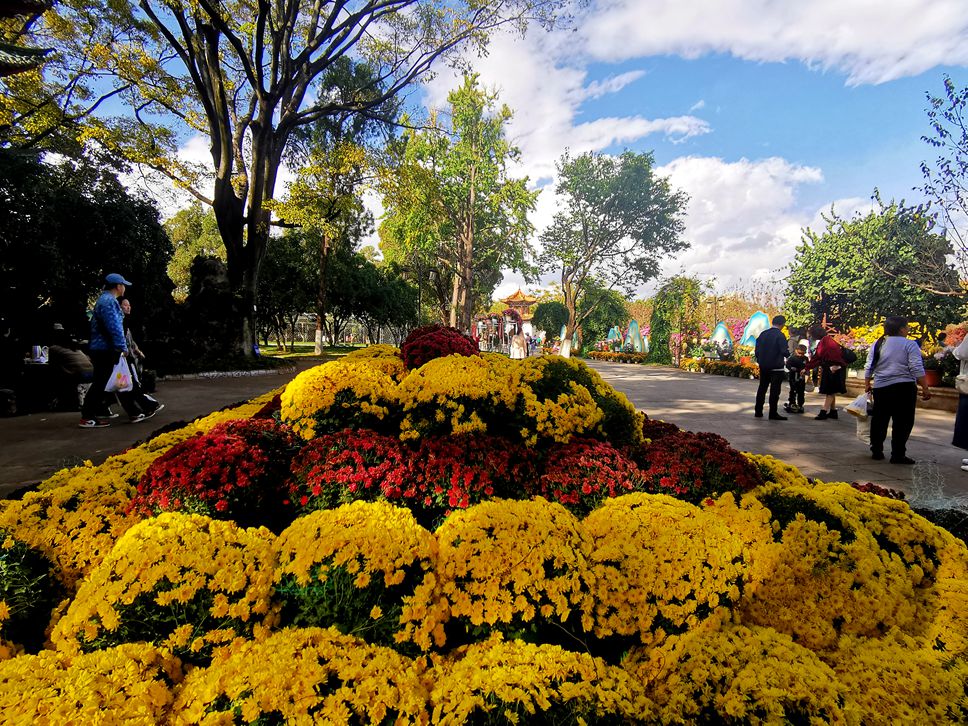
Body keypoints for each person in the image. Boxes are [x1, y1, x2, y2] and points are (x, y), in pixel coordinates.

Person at [79, 273, 153, 427]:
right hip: (104, 349)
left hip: (101, 348)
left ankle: (123, 411)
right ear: (118, 286)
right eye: (123, 285)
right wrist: (122, 347)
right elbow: (115, 328)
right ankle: (88, 416)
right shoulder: (109, 302)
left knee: (110, 381)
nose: (124, 288)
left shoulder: (104, 300)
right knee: (101, 382)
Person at [864, 316, 931, 464]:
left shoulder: (878, 343)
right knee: (903, 422)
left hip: (881, 387)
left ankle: (877, 450)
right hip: (904, 388)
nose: (908, 330)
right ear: (901, 329)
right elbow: (916, 367)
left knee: (879, 419)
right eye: (907, 327)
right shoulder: (910, 345)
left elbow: (869, 365)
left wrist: (867, 383)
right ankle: (898, 454)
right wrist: (925, 387)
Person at [119, 297, 164, 417]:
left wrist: (137, 351)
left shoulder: (124, 322)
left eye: (129, 305)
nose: (128, 307)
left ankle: (139, 409)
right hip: (123, 358)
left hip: (127, 357)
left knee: (126, 384)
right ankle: (146, 405)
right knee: (129, 383)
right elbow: (121, 340)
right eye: (125, 305)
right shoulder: (118, 322)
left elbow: (131, 341)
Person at [804, 326, 847, 420]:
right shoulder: (828, 340)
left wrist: (807, 367)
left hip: (833, 368)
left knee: (830, 390)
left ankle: (823, 412)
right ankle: (833, 411)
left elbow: (818, 357)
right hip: (836, 368)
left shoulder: (825, 342)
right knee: (832, 390)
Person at [753, 315, 789, 420]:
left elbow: (757, 350)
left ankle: (758, 411)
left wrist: (761, 360)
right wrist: (788, 354)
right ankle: (773, 413)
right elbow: (784, 351)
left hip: (764, 366)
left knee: (762, 388)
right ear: (782, 324)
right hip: (776, 367)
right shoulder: (780, 335)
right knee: (774, 391)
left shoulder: (763, 334)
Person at [784, 343, 808, 414]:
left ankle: (800, 404)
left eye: (803, 353)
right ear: (796, 350)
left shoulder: (805, 359)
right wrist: (791, 368)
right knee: (793, 390)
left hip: (801, 377)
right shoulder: (792, 358)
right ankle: (792, 403)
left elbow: (807, 366)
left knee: (801, 391)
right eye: (799, 353)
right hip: (793, 376)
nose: (801, 355)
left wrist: (806, 371)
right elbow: (787, 365)